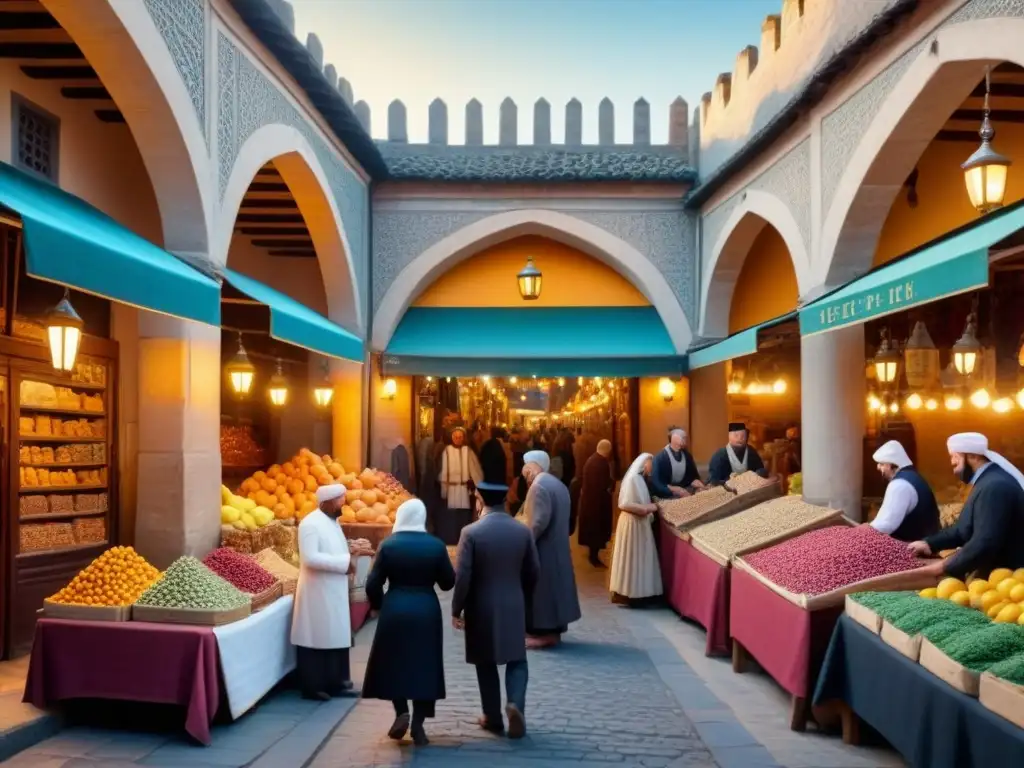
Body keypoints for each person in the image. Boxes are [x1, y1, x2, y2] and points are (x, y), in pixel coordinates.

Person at [362, 499, 454, 746]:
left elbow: (372, 583)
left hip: (395, 609)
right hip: (426, 610)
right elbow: (447, 582)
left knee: (395, 663)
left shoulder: (388, 545)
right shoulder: (436, 546)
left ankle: (401, 711)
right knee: (425, 665)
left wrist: (379, 605)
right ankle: (419, 725)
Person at [452, 481, 540, 739]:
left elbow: (463, 576)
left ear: (480, 501)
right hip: (513, 602)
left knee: (485, 661)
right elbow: (534, 571)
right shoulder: (522, 531)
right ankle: (515, 704)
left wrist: (456, 608)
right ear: (504, 501)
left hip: (481, 606)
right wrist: (522, 594)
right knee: (517, 660)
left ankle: (492, 717)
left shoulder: (471, 532)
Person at [291, 484, 370, 700]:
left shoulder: (332, 522)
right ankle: (313, 687)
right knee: (317, 637)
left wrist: (350, 549)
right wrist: (345, 562)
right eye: (339, 500)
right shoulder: (310, 524)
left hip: (333, 588)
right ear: (327, 502)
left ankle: (337, 683)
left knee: (335, 635)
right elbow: (310, 558)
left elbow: (332, 548)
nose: (343, 504)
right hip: (317, 591)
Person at [909, 432, 1024, 579]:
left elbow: (984, 543)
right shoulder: (987, 482)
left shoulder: (995, 486)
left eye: (955, 459)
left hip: (1007, 582)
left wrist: (946, 566)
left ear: (974, 456)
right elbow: (963, 529)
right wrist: (929, 543)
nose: (953, 466)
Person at [521, 450, 582, 648]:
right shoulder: (557, 484)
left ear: (532, 466)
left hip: (544, 551)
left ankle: (543, 633)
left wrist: (523, 545)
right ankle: (552, 630)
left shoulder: (539, 487)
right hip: (557, 547)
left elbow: (537, 523)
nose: (524, 473)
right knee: (555, 589)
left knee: (543, 592)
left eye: (525, 467)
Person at [610, 453, 664, 604]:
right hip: (631, 524)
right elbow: (625, 504)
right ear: (643, 463)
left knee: (640, 559)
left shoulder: (640, 479)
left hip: (639, 524)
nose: (651, 467)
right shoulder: (633, 479)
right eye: (650, 464)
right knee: (632, 559)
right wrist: (648, 508)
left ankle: (640, 593)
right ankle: (629, 593)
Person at [870, 440, 940, 542]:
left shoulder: (899, 485)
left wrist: (862, 531)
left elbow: (885, 525)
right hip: (926, 539)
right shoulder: (913, 476)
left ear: (891, 465)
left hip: (914, 546)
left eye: (881, 464)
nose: (878, 467)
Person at [438, 426, 483, 545]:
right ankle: (453, 540)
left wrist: (478, 486)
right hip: (452, 489)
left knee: (464, 515)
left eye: (460, 437)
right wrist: (444, 490)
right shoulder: (447, 451)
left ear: (463, 438)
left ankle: (464, 539)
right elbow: (444, 471)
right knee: (453, 516)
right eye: (455, 437)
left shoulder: (468, 451)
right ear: (452, 438)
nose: (458, 439)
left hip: (464, 489)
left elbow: (475, 469)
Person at [577, 439, 615, 568]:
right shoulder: (600, 462)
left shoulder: (593, 460)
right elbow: (603, 483)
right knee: (596, 531)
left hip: (591, 502)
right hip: (597, 504)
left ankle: (593, 555)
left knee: (594, 531)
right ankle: (593, 557)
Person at [648, 428, 703, 499]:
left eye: (685, 438)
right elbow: (657, 483)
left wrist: (697, 483)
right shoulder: (660, 458)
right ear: (674, 438)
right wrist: (673, 490)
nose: (685, 440)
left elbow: (693, 476)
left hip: (685, 490)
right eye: (683, 437)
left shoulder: (687, 456)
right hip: (665, 495)